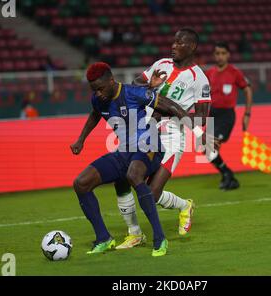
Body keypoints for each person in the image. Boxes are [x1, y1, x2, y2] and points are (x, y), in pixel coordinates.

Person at [70, 62, 206, 256]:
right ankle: (104, 238)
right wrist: (81, 139)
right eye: (94, 90)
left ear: (111, 80)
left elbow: (172, 106)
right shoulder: (98, 99)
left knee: (133, 175)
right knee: (81, 183)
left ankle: (159, 239)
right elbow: (95, 115)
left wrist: (200, 132)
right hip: (125, 151)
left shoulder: (134, 93)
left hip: (150, 144)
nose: (98, 94)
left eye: (100, 89)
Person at [106, 28, 212, 249]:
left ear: (191, 47)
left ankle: (184, 206)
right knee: (129, 178)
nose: (173, 46)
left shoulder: (199, 79)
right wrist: (149, 86)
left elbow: (202, 118)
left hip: (172, 138)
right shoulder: (161, 64)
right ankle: (135, 233)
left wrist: (171, 110)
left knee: (151, 195)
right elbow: (135, 86)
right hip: (145, 132)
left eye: (179, 42)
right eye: (173, 42)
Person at [205, 42, 253, 190]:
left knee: (211, 146)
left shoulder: (234, 72)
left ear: (228, 55)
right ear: (214, 55)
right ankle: (228, 175)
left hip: (226, 116)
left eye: (223, 53)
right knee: (205, 149)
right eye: (217, 53)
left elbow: (247, 90)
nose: (220, 56)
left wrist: (247, 114)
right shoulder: (209, 73)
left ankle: (228, 175)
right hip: (212, 114)